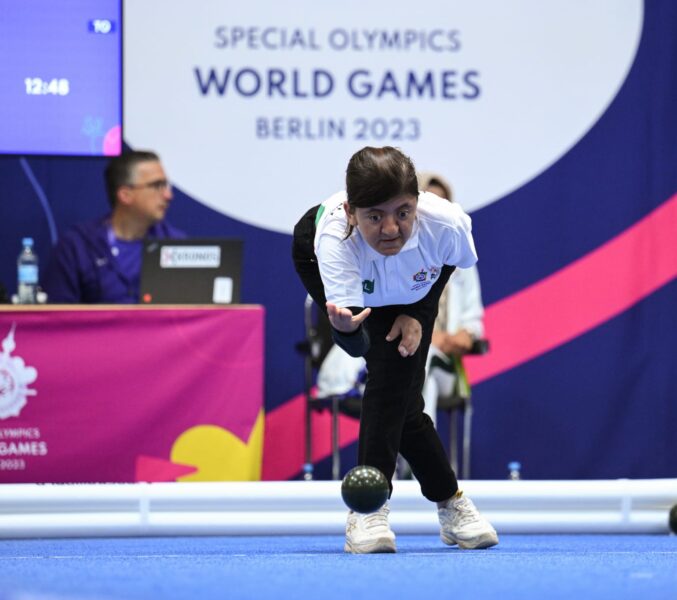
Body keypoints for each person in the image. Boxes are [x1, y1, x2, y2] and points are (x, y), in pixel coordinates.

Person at [292, 146, 498, 554]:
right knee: (391, 377)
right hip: (320, 262)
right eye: (375, 216)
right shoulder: (335, 239)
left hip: (410, 291)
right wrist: (345, 329)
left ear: (418, 203)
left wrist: (418, 314)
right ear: (351, 212)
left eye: (403, 212)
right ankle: (392, 509)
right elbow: (356, 345)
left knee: (400, 396)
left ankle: (405, 507)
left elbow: (446, 266)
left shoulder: (447, 224)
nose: (391, 228)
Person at [43, 150, 185, 303]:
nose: (168, 196)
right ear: (125, 195)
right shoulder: (76, 246)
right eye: (157, 186)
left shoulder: (175, 244)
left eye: (166, 186)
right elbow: (57, 313)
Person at [417, 172, 485, 428]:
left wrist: (464, 335)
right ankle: (416, 455)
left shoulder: (462, 257)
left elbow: (473, 321)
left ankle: (404, 452)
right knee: (424, 381)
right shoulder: (401, 255)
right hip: (405, 358)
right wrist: (426, 338)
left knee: (423, 367)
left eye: (442, 206)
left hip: (444, 362)